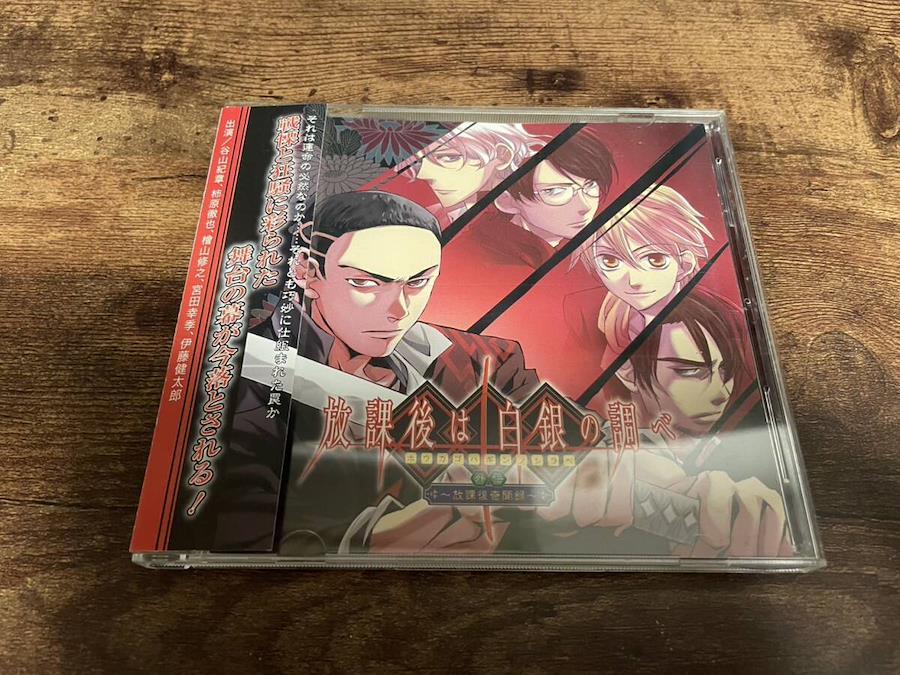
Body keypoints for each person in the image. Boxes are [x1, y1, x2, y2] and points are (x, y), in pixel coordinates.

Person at [411, 123, 545, 224]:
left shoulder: (532, 217)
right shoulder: (429, 216)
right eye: (420, 162)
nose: (422, 174)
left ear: (502, 156)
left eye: (450, 157)